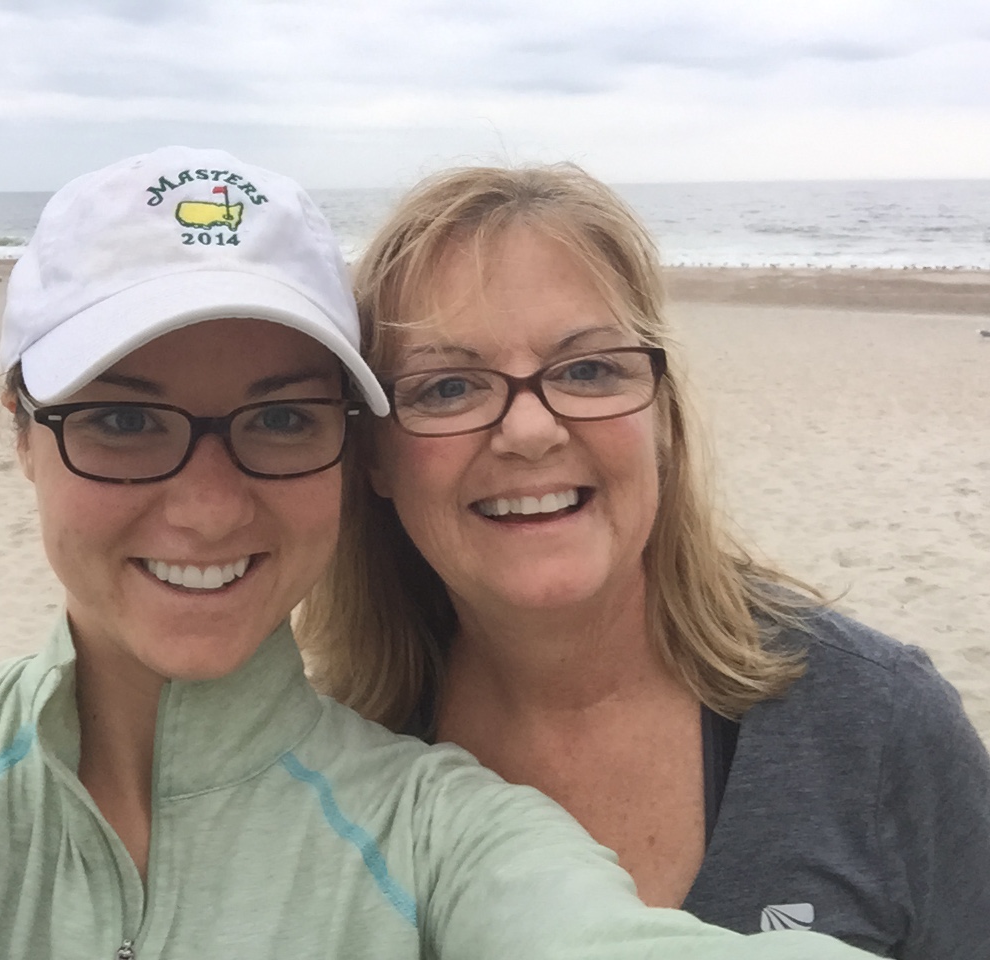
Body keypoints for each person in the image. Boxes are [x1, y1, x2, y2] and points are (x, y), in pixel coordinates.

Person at [0, 148, 876, 960]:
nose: (208, 509)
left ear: (350, 450)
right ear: (21, 430)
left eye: (277, 419)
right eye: (123, 420)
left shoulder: (434, 827)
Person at [299, 162, 990, 958]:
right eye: (449, 387)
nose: (530, 431)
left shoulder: (876, 726)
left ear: (662, 416)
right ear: (376, 456)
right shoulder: (338, 780)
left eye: (588, 370)